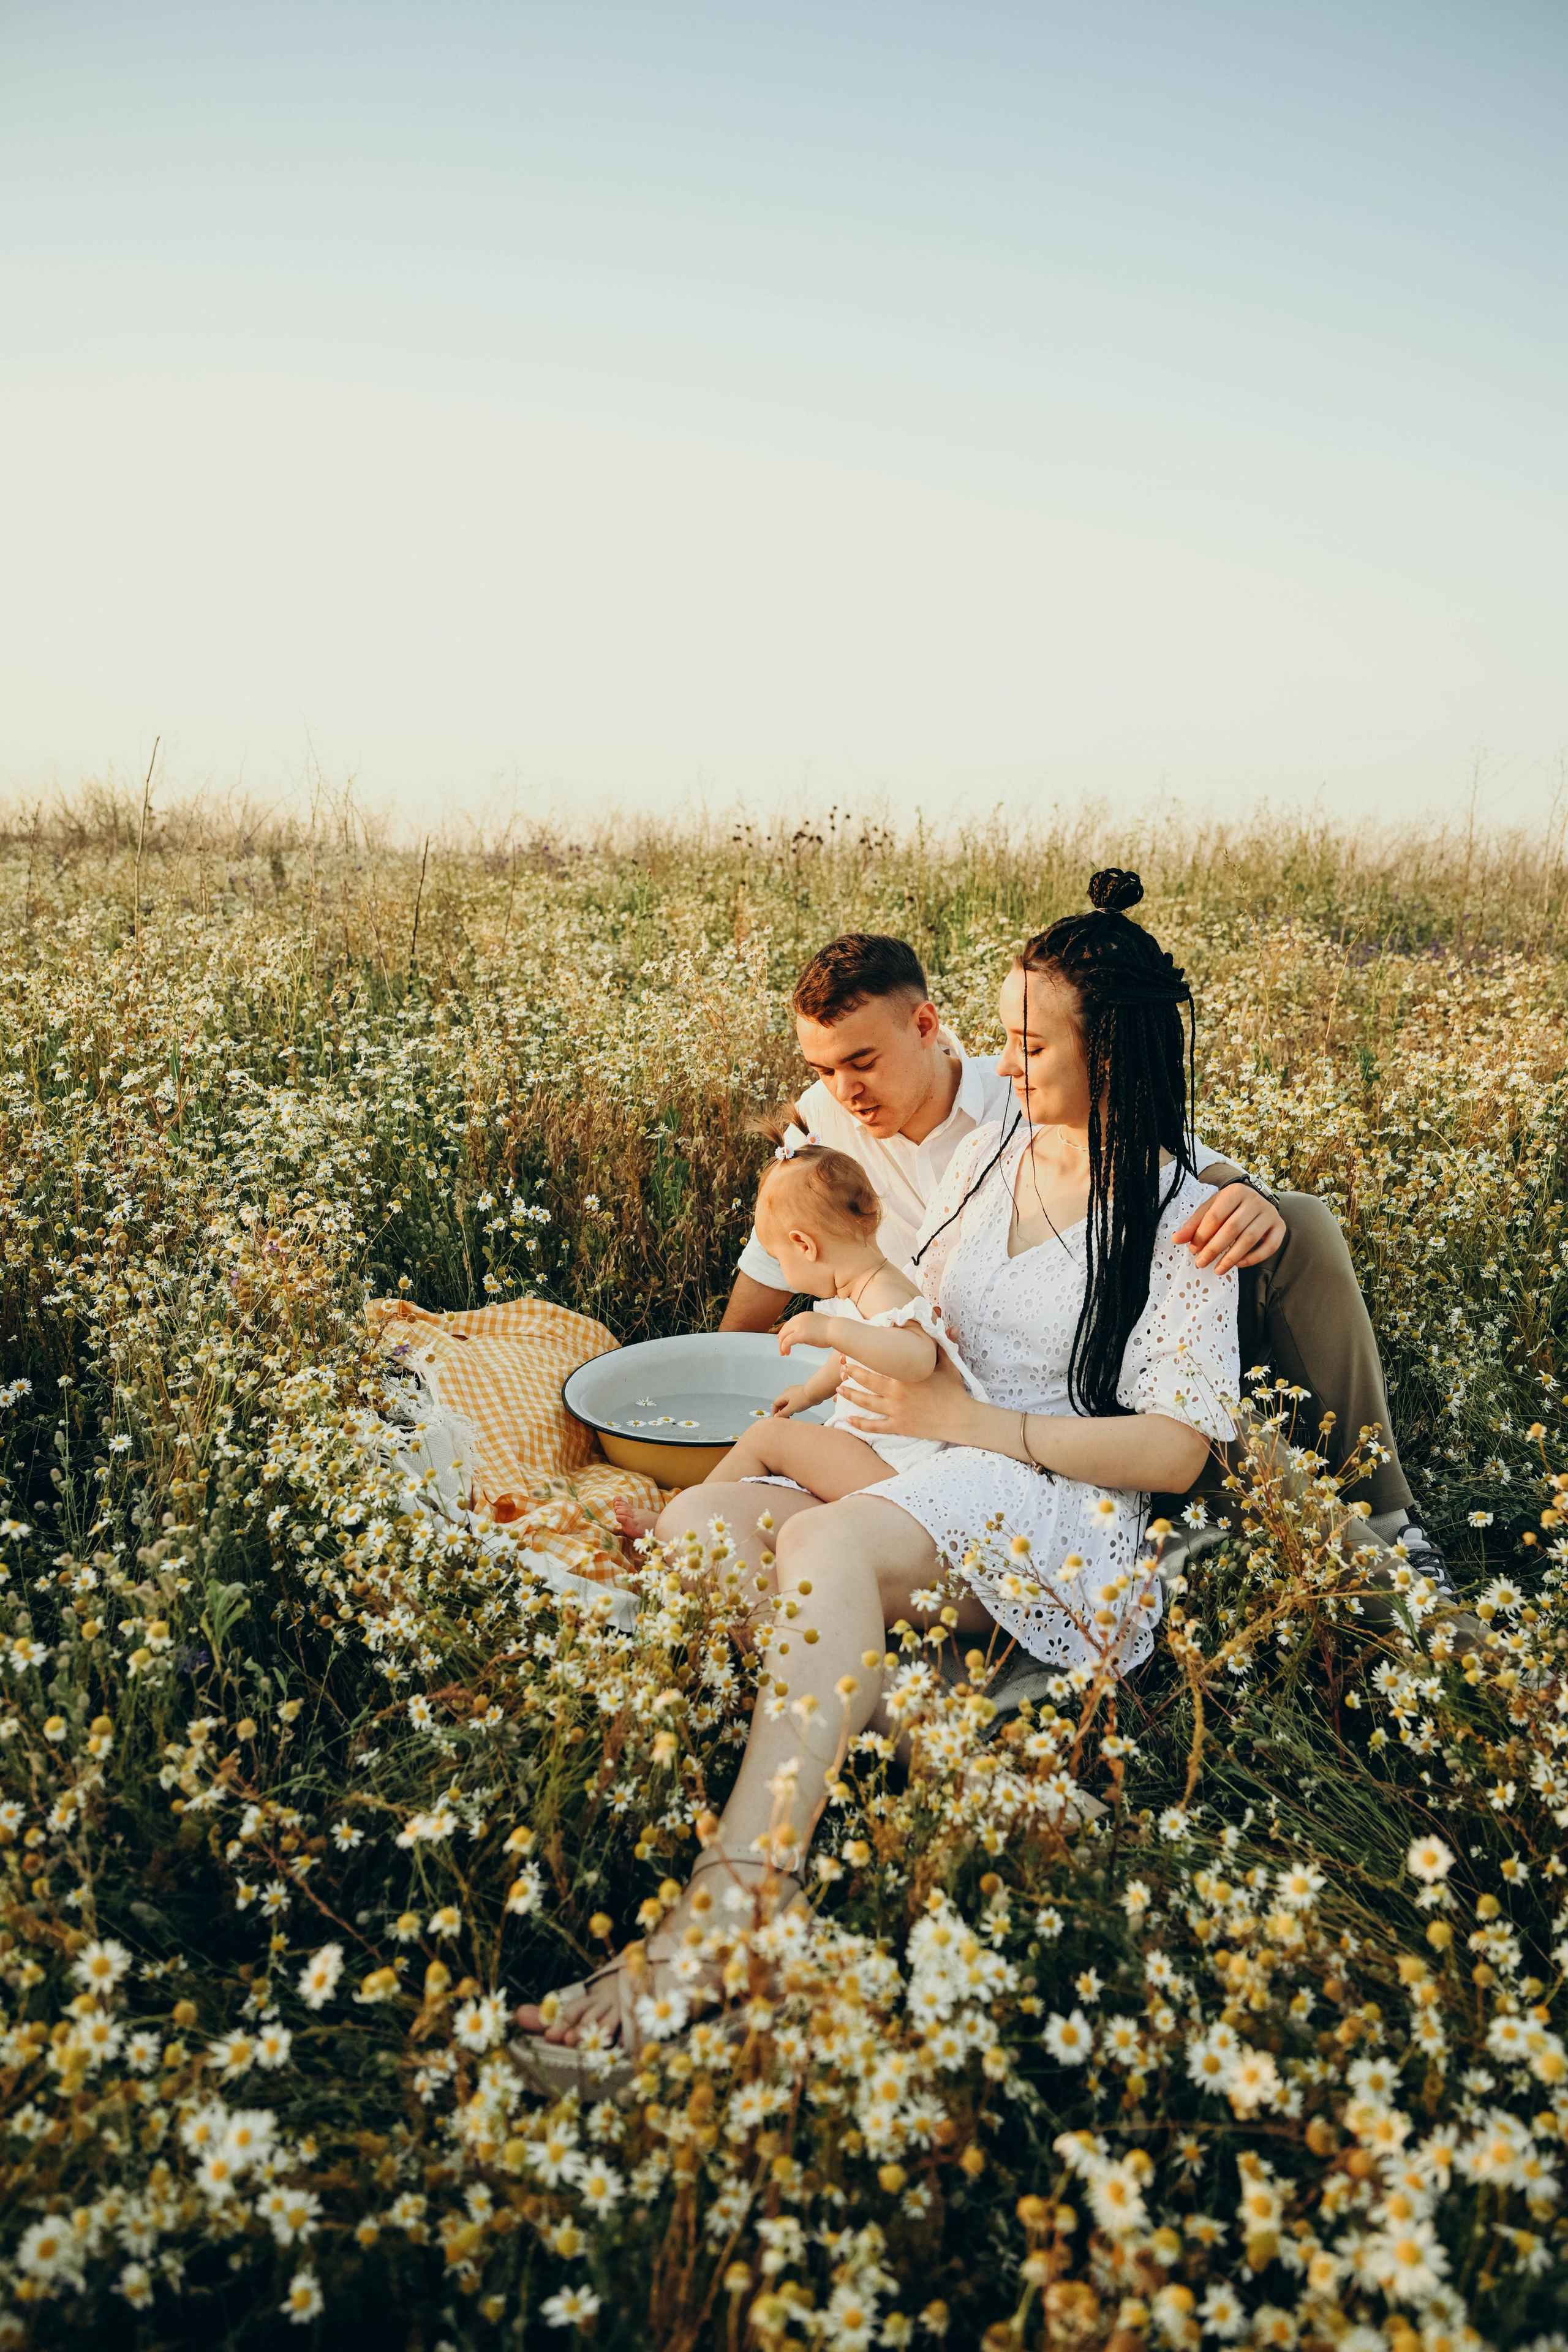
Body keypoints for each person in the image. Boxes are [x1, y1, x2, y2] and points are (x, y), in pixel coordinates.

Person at [516, 870, 1245, 2057]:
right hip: (925, 1463)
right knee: (703, 1529)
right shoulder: (989, 1161)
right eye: (1003, 1038)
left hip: (1055, 1503)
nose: (1002, 1064)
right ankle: (960, 1761)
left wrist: (969, 1424)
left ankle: (737, 1905)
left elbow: (1173, 1453)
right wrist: (846, 1370)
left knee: (820, 1538)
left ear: (1109, 1050)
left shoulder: (1180, 1220)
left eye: (1030, 1046)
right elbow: (909, 1306)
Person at [720, 927, 1436, 1559]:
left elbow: (1154, 1151)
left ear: (926, 1026)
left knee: (1287, 1249)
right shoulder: (821, 1121)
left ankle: (1387, 1530)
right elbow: (775, 1254)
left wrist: (1241, 1187)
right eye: (823, 1070)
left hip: (1080, 1347)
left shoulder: (1017, 1098)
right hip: (924, 1363)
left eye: (862, 1062)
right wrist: (724, 1376)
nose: (844, 1089)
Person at [614, 1119, 987, 1539]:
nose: (782, 1270)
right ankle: (707, 1512)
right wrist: (810, 1393)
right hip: (880, 1455)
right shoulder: (867, 1289)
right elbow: (852, 1357)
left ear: (804, 1246)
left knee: (767, 1438)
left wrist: (831, 1330)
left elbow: (917, 1360)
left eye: (779, 1259)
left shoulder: (884, 1293)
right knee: (785, 1453)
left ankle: (674, 1522)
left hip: (900, 1472)